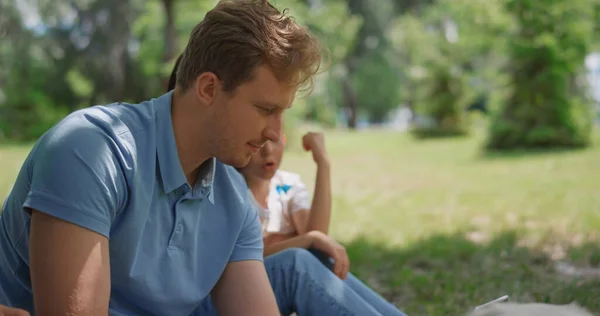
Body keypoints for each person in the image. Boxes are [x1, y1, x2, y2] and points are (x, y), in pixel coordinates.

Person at [0, 0, 321, 315]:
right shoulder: (90, 151)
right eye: (266, 110)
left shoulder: (234, 201)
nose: (275, 134)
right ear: (208, 88)